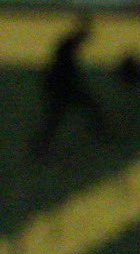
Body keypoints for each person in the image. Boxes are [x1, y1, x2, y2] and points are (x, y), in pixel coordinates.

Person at [31, 14, 113, 157]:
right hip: (62, 86)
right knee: (57, 118)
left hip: (61, 85)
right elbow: (66, 69)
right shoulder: (70, 44)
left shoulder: (69, 43)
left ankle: (40, 148)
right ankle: (40, 148)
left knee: (56, 118)